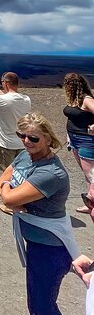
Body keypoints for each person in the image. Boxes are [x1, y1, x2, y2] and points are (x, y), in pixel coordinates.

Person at [0, 113, 81, 315]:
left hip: (50, 249)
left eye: (33, 137)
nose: (26, 141)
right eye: (22, 136)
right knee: (44, 309)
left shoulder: (51, 173)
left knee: (42, 311)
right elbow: (2, 180)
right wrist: (8, 193)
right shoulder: (26, 156)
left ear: (48, 139)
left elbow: (8, 198)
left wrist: (9, 197)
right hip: (38, 246)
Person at [0, 72, 31, 172]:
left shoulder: (0, 100)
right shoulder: (26, 99)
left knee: (7, 175)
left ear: (6, 83)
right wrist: (0, 92)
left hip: (5, 144)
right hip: (21, 144)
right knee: (20, 173)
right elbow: (10, 101)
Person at [62, 73, 94, 220]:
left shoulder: (87, 100)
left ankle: (91, 203)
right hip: (74, 139)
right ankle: (90, 203)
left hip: (86, 140)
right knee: (87, 174)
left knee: (91, 175)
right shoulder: (75, 100)